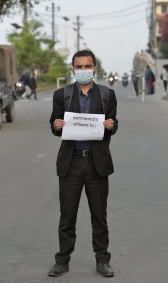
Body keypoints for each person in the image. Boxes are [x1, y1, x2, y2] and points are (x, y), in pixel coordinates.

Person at [48, 50, 118, 277]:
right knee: (67, 215)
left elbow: (113, 124)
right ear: (73, 70)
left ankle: (102, 260)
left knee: (99, 216)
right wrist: (57, 125)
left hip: (97, 163)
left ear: (95, 69)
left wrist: (111, 125)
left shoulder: (107, 95)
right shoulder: (62, 95)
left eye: (87, 66)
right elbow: (54, 125)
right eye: (79, 67)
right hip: (71, 163)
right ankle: (62, 260)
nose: (83, 70)